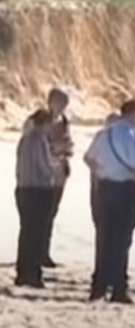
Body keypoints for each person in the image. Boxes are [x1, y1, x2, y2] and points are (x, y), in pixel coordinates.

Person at [84, 99, 135, 303]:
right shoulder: (132, 136)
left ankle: (99, 286)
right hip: (125, 189)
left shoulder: (104, 133)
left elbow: (89, 158)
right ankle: (118, 288)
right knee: (122, 240)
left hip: (104, 188)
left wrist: (100, 174)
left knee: (104, 238)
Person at [22, 87, 74, 268]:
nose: (63, 107)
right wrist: (56, 148)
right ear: (51, 101)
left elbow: (69, 145)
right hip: (40, 174)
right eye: (61, 103)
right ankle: (36, 254)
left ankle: (44, 252)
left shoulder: (64, 121)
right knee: (37, 217)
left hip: (59, 173)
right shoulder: (38, 121)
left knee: (50, 214)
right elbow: (31, 144)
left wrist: (64, 150)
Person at [14, 109, 58, 288]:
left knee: (26, 232)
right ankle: (33, 273)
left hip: (23, 188)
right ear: (45, 123)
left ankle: (23, 272)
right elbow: (44, 166)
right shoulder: (39, 140)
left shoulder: (24, 139)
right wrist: (56, 168)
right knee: (37, 233)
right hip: (38, 189)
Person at [83, 112, 120, 292]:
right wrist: (99, 171)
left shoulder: (112, 138)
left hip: (102, 190)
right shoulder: (102, 137)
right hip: (102, 190)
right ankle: (104, 275)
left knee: (110, 236)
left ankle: (108, 275)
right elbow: (88, 158)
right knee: (106, 235)